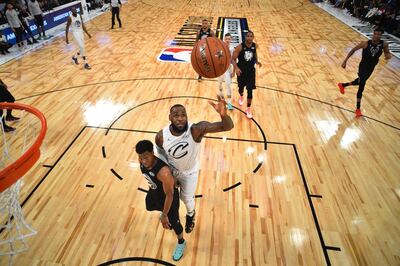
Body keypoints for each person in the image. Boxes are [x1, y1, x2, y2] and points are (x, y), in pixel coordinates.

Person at [155, 95, 234, 233]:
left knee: (186, 198)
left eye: (183, 115)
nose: (180, 118)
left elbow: (227, 126)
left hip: (190, 171)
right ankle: (170, 216)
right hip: (172, 171)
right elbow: (161, 158)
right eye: (176, 115)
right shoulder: (161, 137)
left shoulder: (196, 129)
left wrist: (223, 115)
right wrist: (170, 176)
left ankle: (191, 214)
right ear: (170, 118)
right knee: (170, 198)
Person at [135, 140, 186, 261]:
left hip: (169, 199)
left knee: (174, 223)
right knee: (149, 206)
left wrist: (164, 216)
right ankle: (164, 213)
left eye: (146, 157)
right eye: (141, 158)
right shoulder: (142, 160)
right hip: (154, 192)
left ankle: (181, 242)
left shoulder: (164, 173)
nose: (143, 161)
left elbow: (170, 196)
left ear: (152, 153)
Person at [338, 28, 391, 117]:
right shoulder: (365, 43)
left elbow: (387, 53)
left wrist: (388, 56)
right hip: (363, 66)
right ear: (373, 34)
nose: (377, 36)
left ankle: (343, 85)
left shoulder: (384, 44)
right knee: (362, 85)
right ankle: (358, 108)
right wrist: (345, 61)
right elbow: (353, 50)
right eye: (375, 34)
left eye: (379, 34)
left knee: (359, 82)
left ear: (381, 36)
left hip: (371, 68)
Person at [232, 30, 262, 119]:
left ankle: (248, 108)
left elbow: (255, 53)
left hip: (251, 72)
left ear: (253, 37)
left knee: (250, 91)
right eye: (248, 36)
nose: (249, 38)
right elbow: (232, 59)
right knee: (241, 88)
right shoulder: (239, 47)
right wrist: (236, 68)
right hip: (241, 71)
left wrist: (257, 61)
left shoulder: (255, 46)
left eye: (251, 36)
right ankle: (241, 95)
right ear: (245, 37)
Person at [217, 33, 235, 110]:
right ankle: (222, 99)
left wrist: (233, 71)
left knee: (228, 86)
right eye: (226, 39)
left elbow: (234, 60)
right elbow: (217, 58)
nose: (227, 40)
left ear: (231, 40)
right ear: (224, 39)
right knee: (220, 85)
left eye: (229, 39)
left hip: (228, 69)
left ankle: (229, 103)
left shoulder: (232, 49)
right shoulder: (220, 48)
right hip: (220, 69)